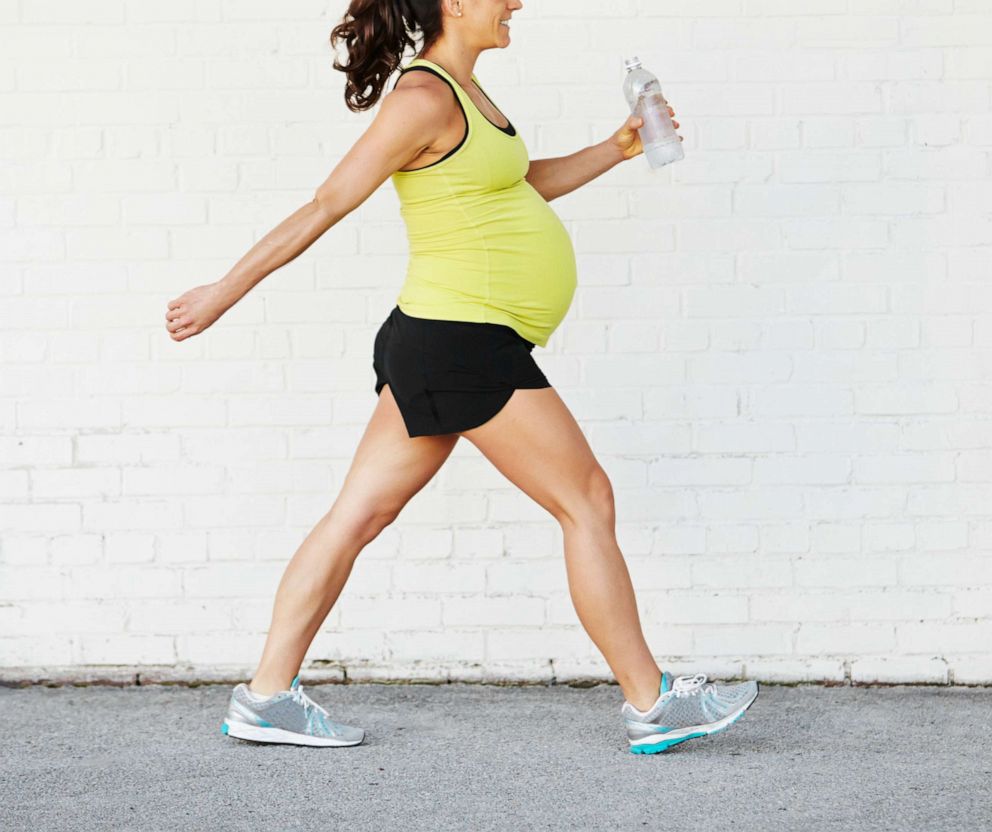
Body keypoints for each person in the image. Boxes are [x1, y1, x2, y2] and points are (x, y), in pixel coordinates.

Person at [164, 0, 757, 755]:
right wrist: (223, 291)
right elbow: (327, 203)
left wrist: (619, 146)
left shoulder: (465, 89)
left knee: (357, 516)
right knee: (587, 499)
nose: (516, 3)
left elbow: (514, 187)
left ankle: (266, 698)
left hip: (442, 340)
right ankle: (652, 702)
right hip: (461, 342)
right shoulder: (421, 100)